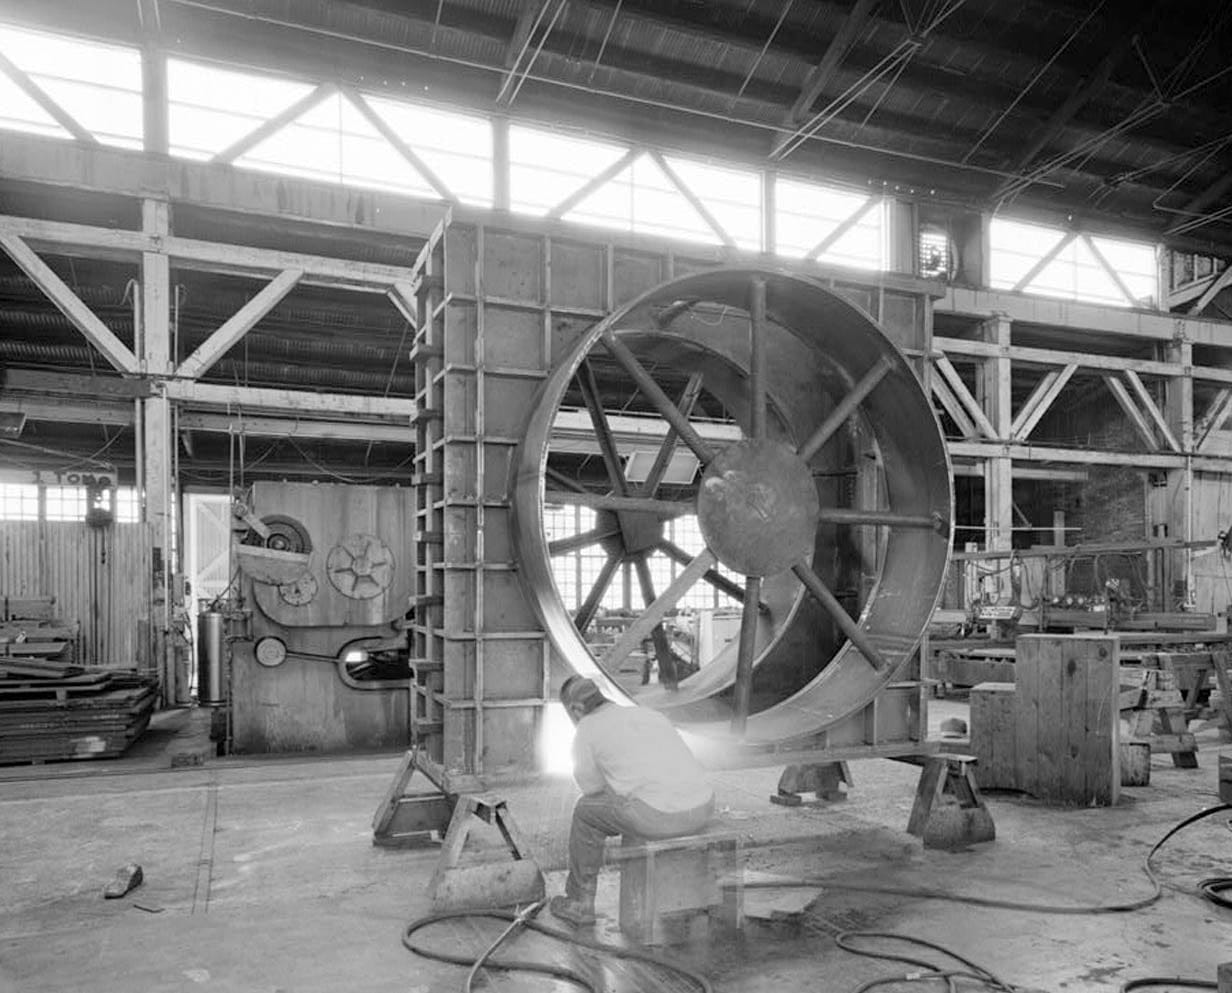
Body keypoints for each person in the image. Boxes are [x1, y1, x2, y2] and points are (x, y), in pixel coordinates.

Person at [549, 674, 716, 926]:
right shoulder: (647, 714)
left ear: (576, 709)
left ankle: (580, 902)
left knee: (585, 811)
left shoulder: (587, 729)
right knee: (635, 799)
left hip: (661, 817)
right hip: (703, 806)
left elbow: (591, 788)